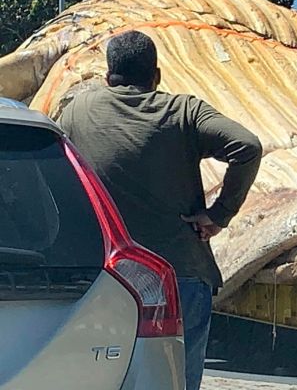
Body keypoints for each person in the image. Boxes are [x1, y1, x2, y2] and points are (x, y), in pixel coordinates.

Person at [58, 30, 262, 390]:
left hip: (105, 274)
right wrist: (219, 215)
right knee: (175, 381)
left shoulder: (77, 112)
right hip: (178, 273)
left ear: (108, 77)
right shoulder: (184, 112)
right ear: (156, 76)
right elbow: (246, 146)